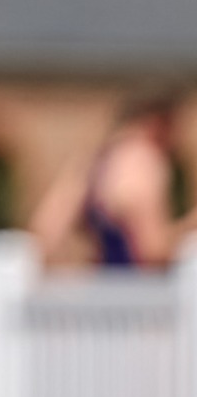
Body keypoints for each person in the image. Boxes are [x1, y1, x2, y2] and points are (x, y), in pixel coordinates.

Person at [30, 88, 183, 268]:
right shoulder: (144, 161)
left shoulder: (92, 161)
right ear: (158, 123)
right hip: (140, 289)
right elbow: (153, 252)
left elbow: (45, 233)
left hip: (101, 285)